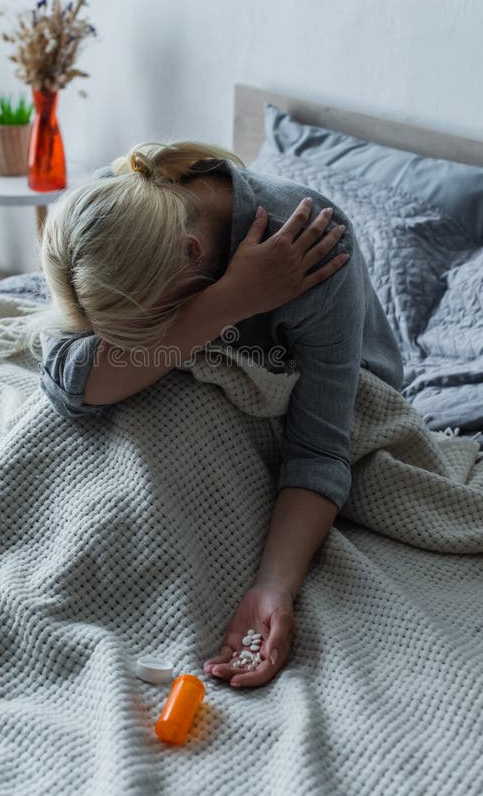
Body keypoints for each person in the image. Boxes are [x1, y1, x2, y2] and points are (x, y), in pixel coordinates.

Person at [27, 139, 404, 689]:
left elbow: (321, 449)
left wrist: (272, 589)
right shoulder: (115, 210)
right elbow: (71, 382)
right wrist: (230, 301)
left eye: (146, 323)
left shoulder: (315, 244)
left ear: (189, 252)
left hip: (338, 400)